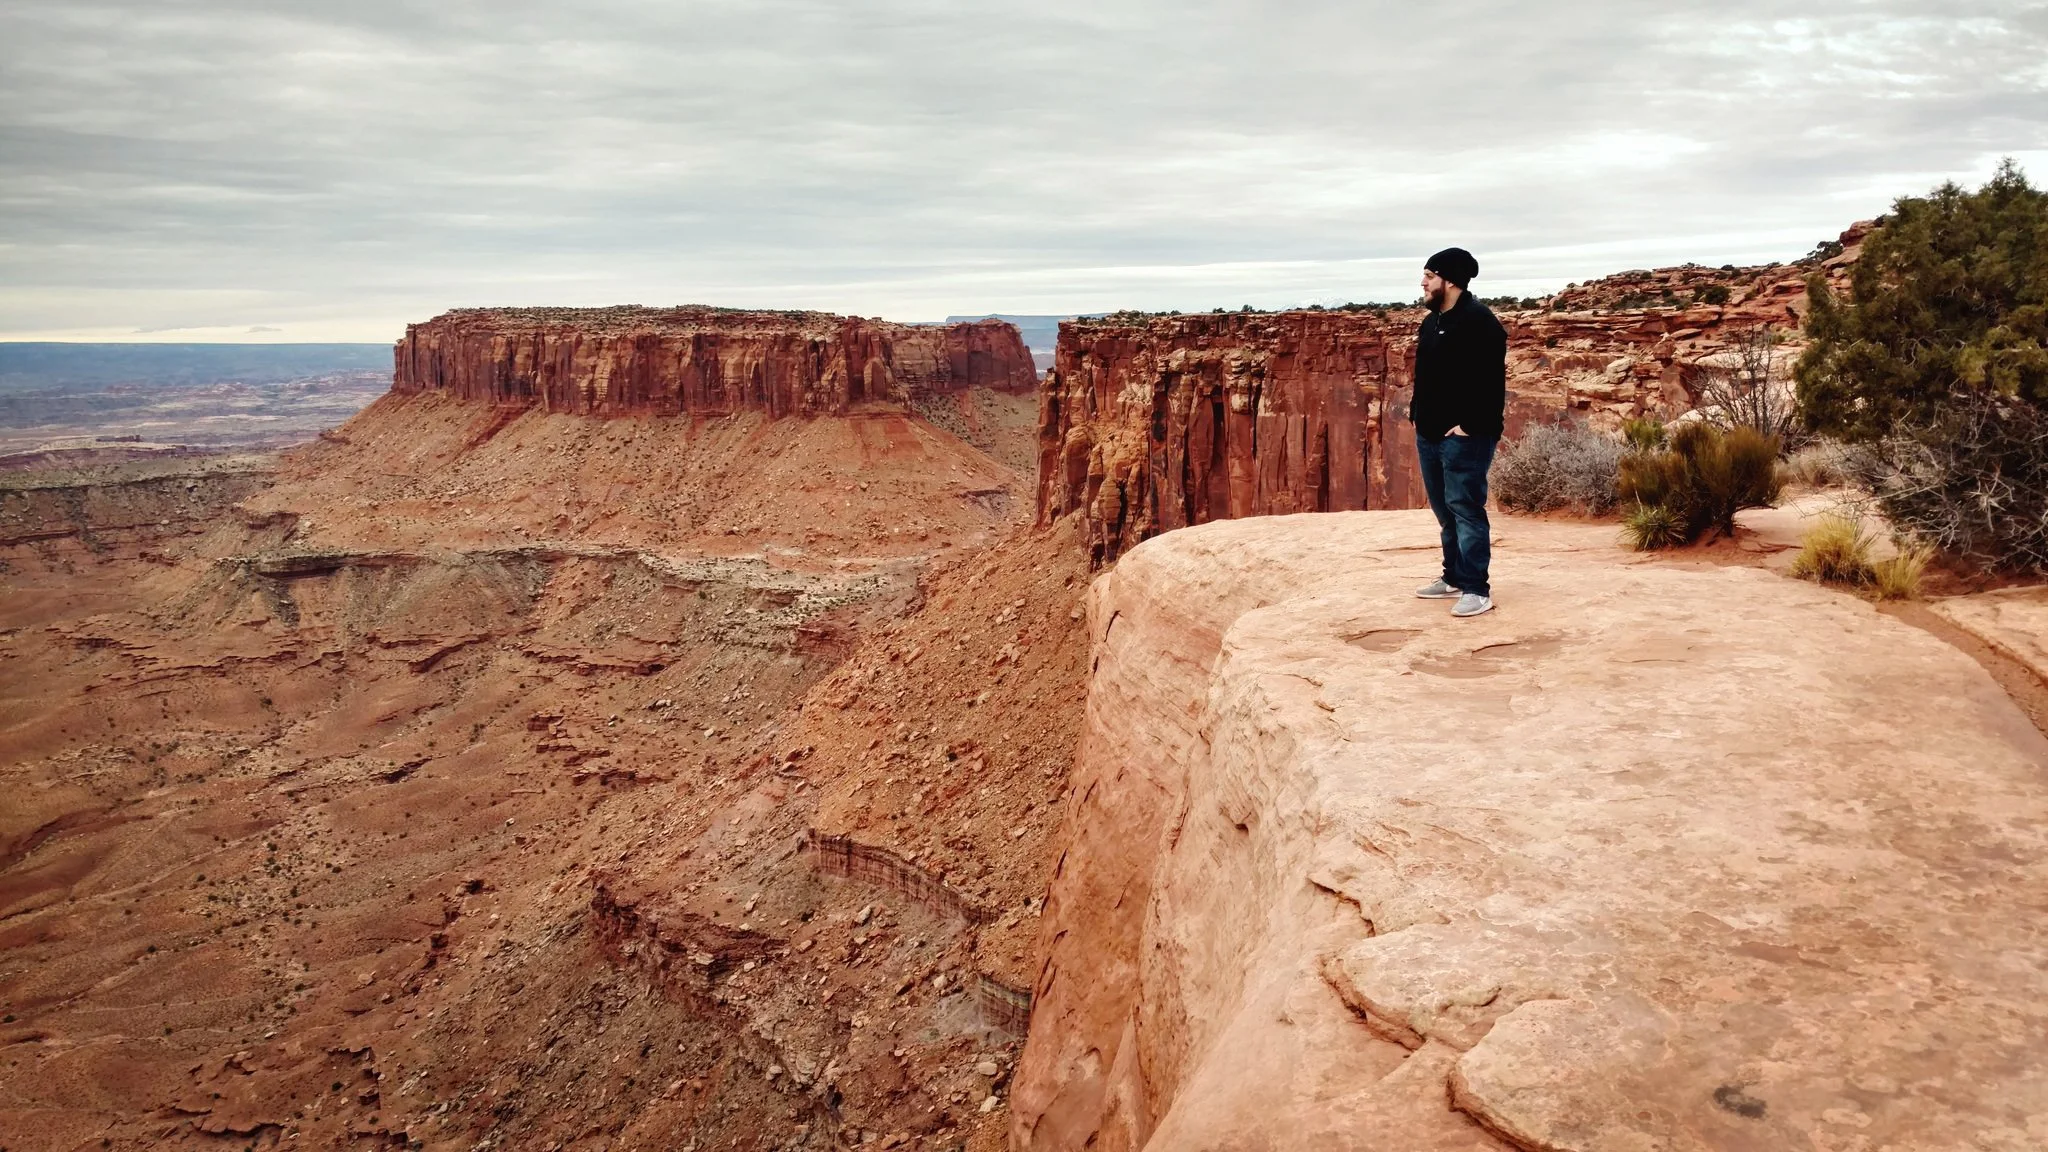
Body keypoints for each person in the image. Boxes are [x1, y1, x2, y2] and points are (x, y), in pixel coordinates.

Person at [1409, 247, 1507, 618]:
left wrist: (1469, 426)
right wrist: (1417, 413)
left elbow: (1492, 384)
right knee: (1444, 510)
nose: (1422, 282)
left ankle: (1476, 589)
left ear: (1449, 281)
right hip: (1430, 434)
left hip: (1466, 437)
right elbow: (1426, 374)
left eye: (1429, 276)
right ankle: (1453, 577)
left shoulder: (1480, 321)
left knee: (1465, 509)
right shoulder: (1432, 321)